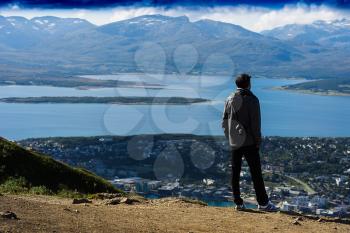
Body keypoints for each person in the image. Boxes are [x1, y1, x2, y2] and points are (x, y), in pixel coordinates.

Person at [222, 73, 278, 211]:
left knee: (235, 172)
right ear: (248, 84)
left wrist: (230, 137)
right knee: (256, 173)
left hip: (235, 141)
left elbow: (224, 122)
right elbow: (255, 125)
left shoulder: (229, 99)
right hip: (249, 142)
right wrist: (257, 141)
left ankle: (238, 203)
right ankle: (263, 203)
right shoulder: (252, 100)